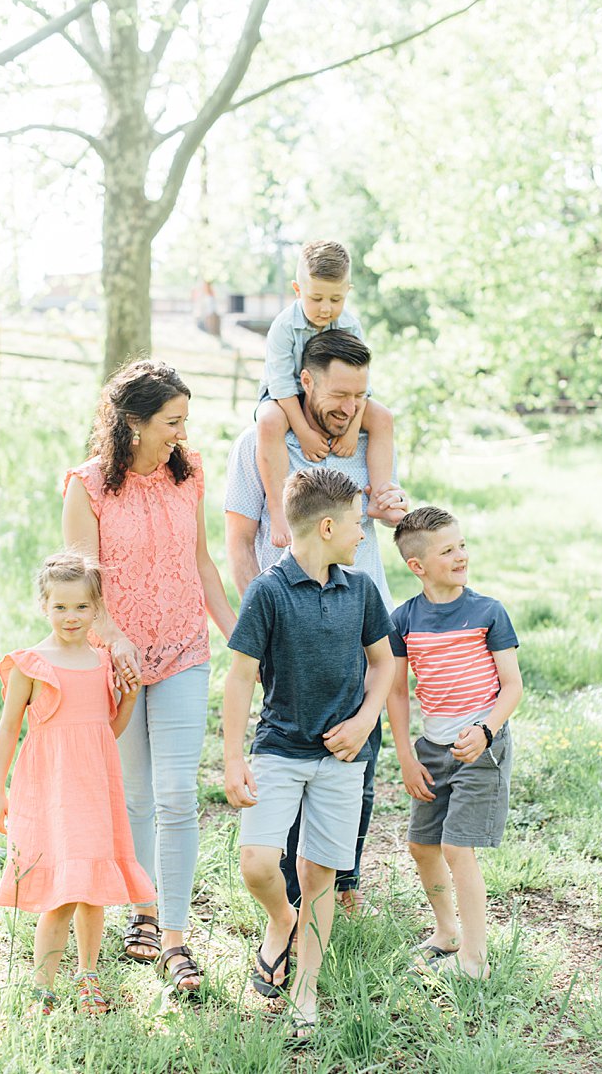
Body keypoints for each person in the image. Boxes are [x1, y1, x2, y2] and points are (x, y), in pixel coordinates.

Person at [61, 361, 237, 996]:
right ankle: (140, 912)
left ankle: (175, 935)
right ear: (131, 424)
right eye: (171, 422)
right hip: (120, 663)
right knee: (134, 797)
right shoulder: (87, 487)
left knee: (176, 795)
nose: (181, 434)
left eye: (184, 421)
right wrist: (117, 638)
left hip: (186, 649)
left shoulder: (185, 474)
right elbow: (82, 587)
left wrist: (239, 635)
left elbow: (202, 564)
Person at [224, 329, 408, 918]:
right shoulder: (260, 441)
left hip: (360, 612)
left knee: (359, 751)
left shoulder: (367, 434)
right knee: (292, 752)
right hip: (289, 618)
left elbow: (375, 509)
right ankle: (292, 898)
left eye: (360, 395)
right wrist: (270, 619)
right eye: (339, 394)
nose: (349, 407)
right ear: (305, 381)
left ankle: (343, 882)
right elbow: (238, 540)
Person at [223, 467, 396, 1042]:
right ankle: (282, 920)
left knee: (320, 870)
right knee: (257, 864)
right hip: (278, 748)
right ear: (327, 526)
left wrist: (366, 721)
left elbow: (384, 663)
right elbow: (241, 676)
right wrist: (231, 757)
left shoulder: (362, 590)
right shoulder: (268, 593)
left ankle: (306, 987)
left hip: (343, 758)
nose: (362, 535)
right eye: (356, 524)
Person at [0, 552, 155, 1016]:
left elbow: (107, 730)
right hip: (51, 790)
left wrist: (130, 697)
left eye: (81, 607)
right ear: (44, 605)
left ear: (96, 609)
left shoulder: (102, 663)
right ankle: (42, 985)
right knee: (63, 892)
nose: (71, 617)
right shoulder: (31, 664)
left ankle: (88, 975)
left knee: (92, 887)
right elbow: (7, 730)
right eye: (60, 607)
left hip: (95, 789)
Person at [387, 507, 521, 980]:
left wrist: (485, 730)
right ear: (417, 566)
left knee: (456, 848)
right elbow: (397, 690)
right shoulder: (403, 619)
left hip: (482, 746)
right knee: (422, 847)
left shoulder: (487, 612)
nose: (461, 556)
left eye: (461, 545)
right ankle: (447, 933)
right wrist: (405, 754)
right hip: (431, 750)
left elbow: (512, 687)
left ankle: (475, 959)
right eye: (448, 551)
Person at [255, 240, 395, 549]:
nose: (326, 308)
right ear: (297, 289)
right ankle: (279, 511)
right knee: (267, 423)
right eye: (316, 297)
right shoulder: (283, 327)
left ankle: (382, 493)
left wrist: (353, 429)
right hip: (286, 398)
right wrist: (303, 432)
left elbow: (361, 382)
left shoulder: (349, 324)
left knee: (383, 417)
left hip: (340, 393)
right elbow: (280, 385)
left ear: (348, 290)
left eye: (336, 298)